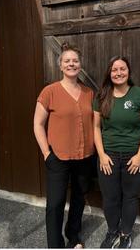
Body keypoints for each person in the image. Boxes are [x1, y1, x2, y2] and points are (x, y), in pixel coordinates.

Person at [33, 42, 95, 248]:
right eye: (67, 61)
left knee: (79, 199)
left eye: (75, 61)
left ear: (80, 65)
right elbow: (38, 124)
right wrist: (46, 154)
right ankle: (55, 244)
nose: (71, 64)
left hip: (84, 156)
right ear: (60, 65)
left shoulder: (88, 93)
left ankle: (73, 235)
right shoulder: (49, 92)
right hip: (57, 157)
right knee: (55, 205)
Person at [93, 56, 140, 248]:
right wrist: (102, 155)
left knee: (129, 197)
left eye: (122, 69)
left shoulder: (139, 95)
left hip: (133, 157)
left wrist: (139, 156)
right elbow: (96, 128)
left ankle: (126, 234)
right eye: (114, 70)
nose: (118, 73)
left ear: (128, 71)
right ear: (109, 73)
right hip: (108, 157)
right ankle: (112, 231)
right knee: (110, 198)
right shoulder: (102, 96)